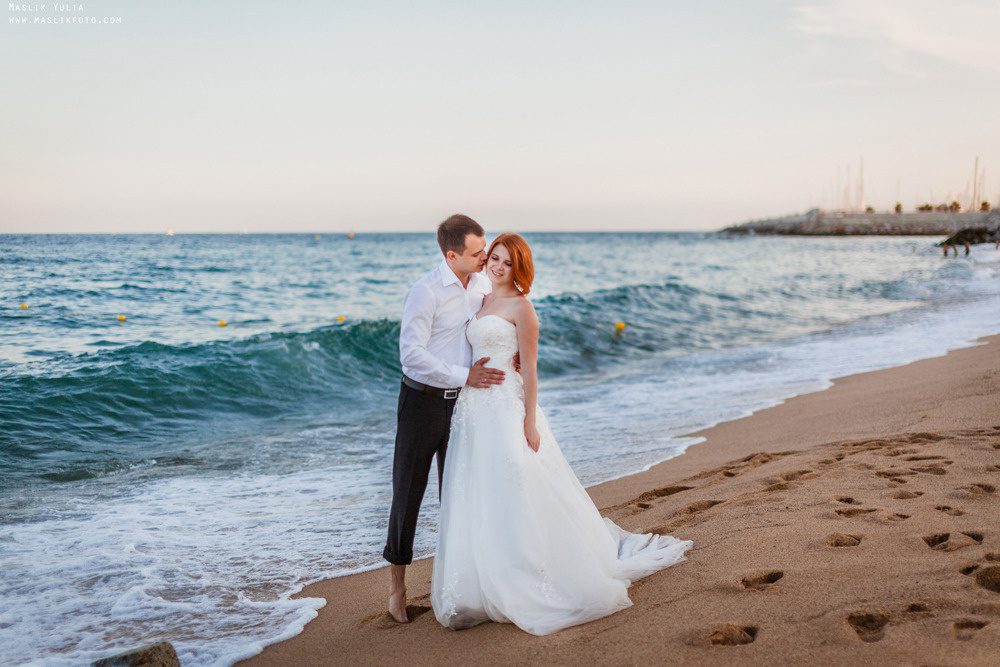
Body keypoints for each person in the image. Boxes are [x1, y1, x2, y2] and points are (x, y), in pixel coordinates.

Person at [431, 233, 692, 636]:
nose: (498, 266)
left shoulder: (523, 307)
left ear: (519, 268)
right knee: (478, 490)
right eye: (494, 257)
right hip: (472, 411)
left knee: (514, 484)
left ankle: (528, 575)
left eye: (507, 262)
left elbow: (531, 369)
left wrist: (529, 421)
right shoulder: (480, 299)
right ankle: (479, 583)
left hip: (506, 408)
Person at [384, 214, 506, 623]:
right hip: (421, 403)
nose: (484, 257)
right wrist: (464, 374)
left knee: (458, 495)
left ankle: (460, 585)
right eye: (476, 253)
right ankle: (397, 590)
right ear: (451, 255)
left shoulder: (484, 284)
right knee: (408, 495)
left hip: (465, 406)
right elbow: (412, 356)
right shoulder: (425, 292)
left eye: (485, 248)